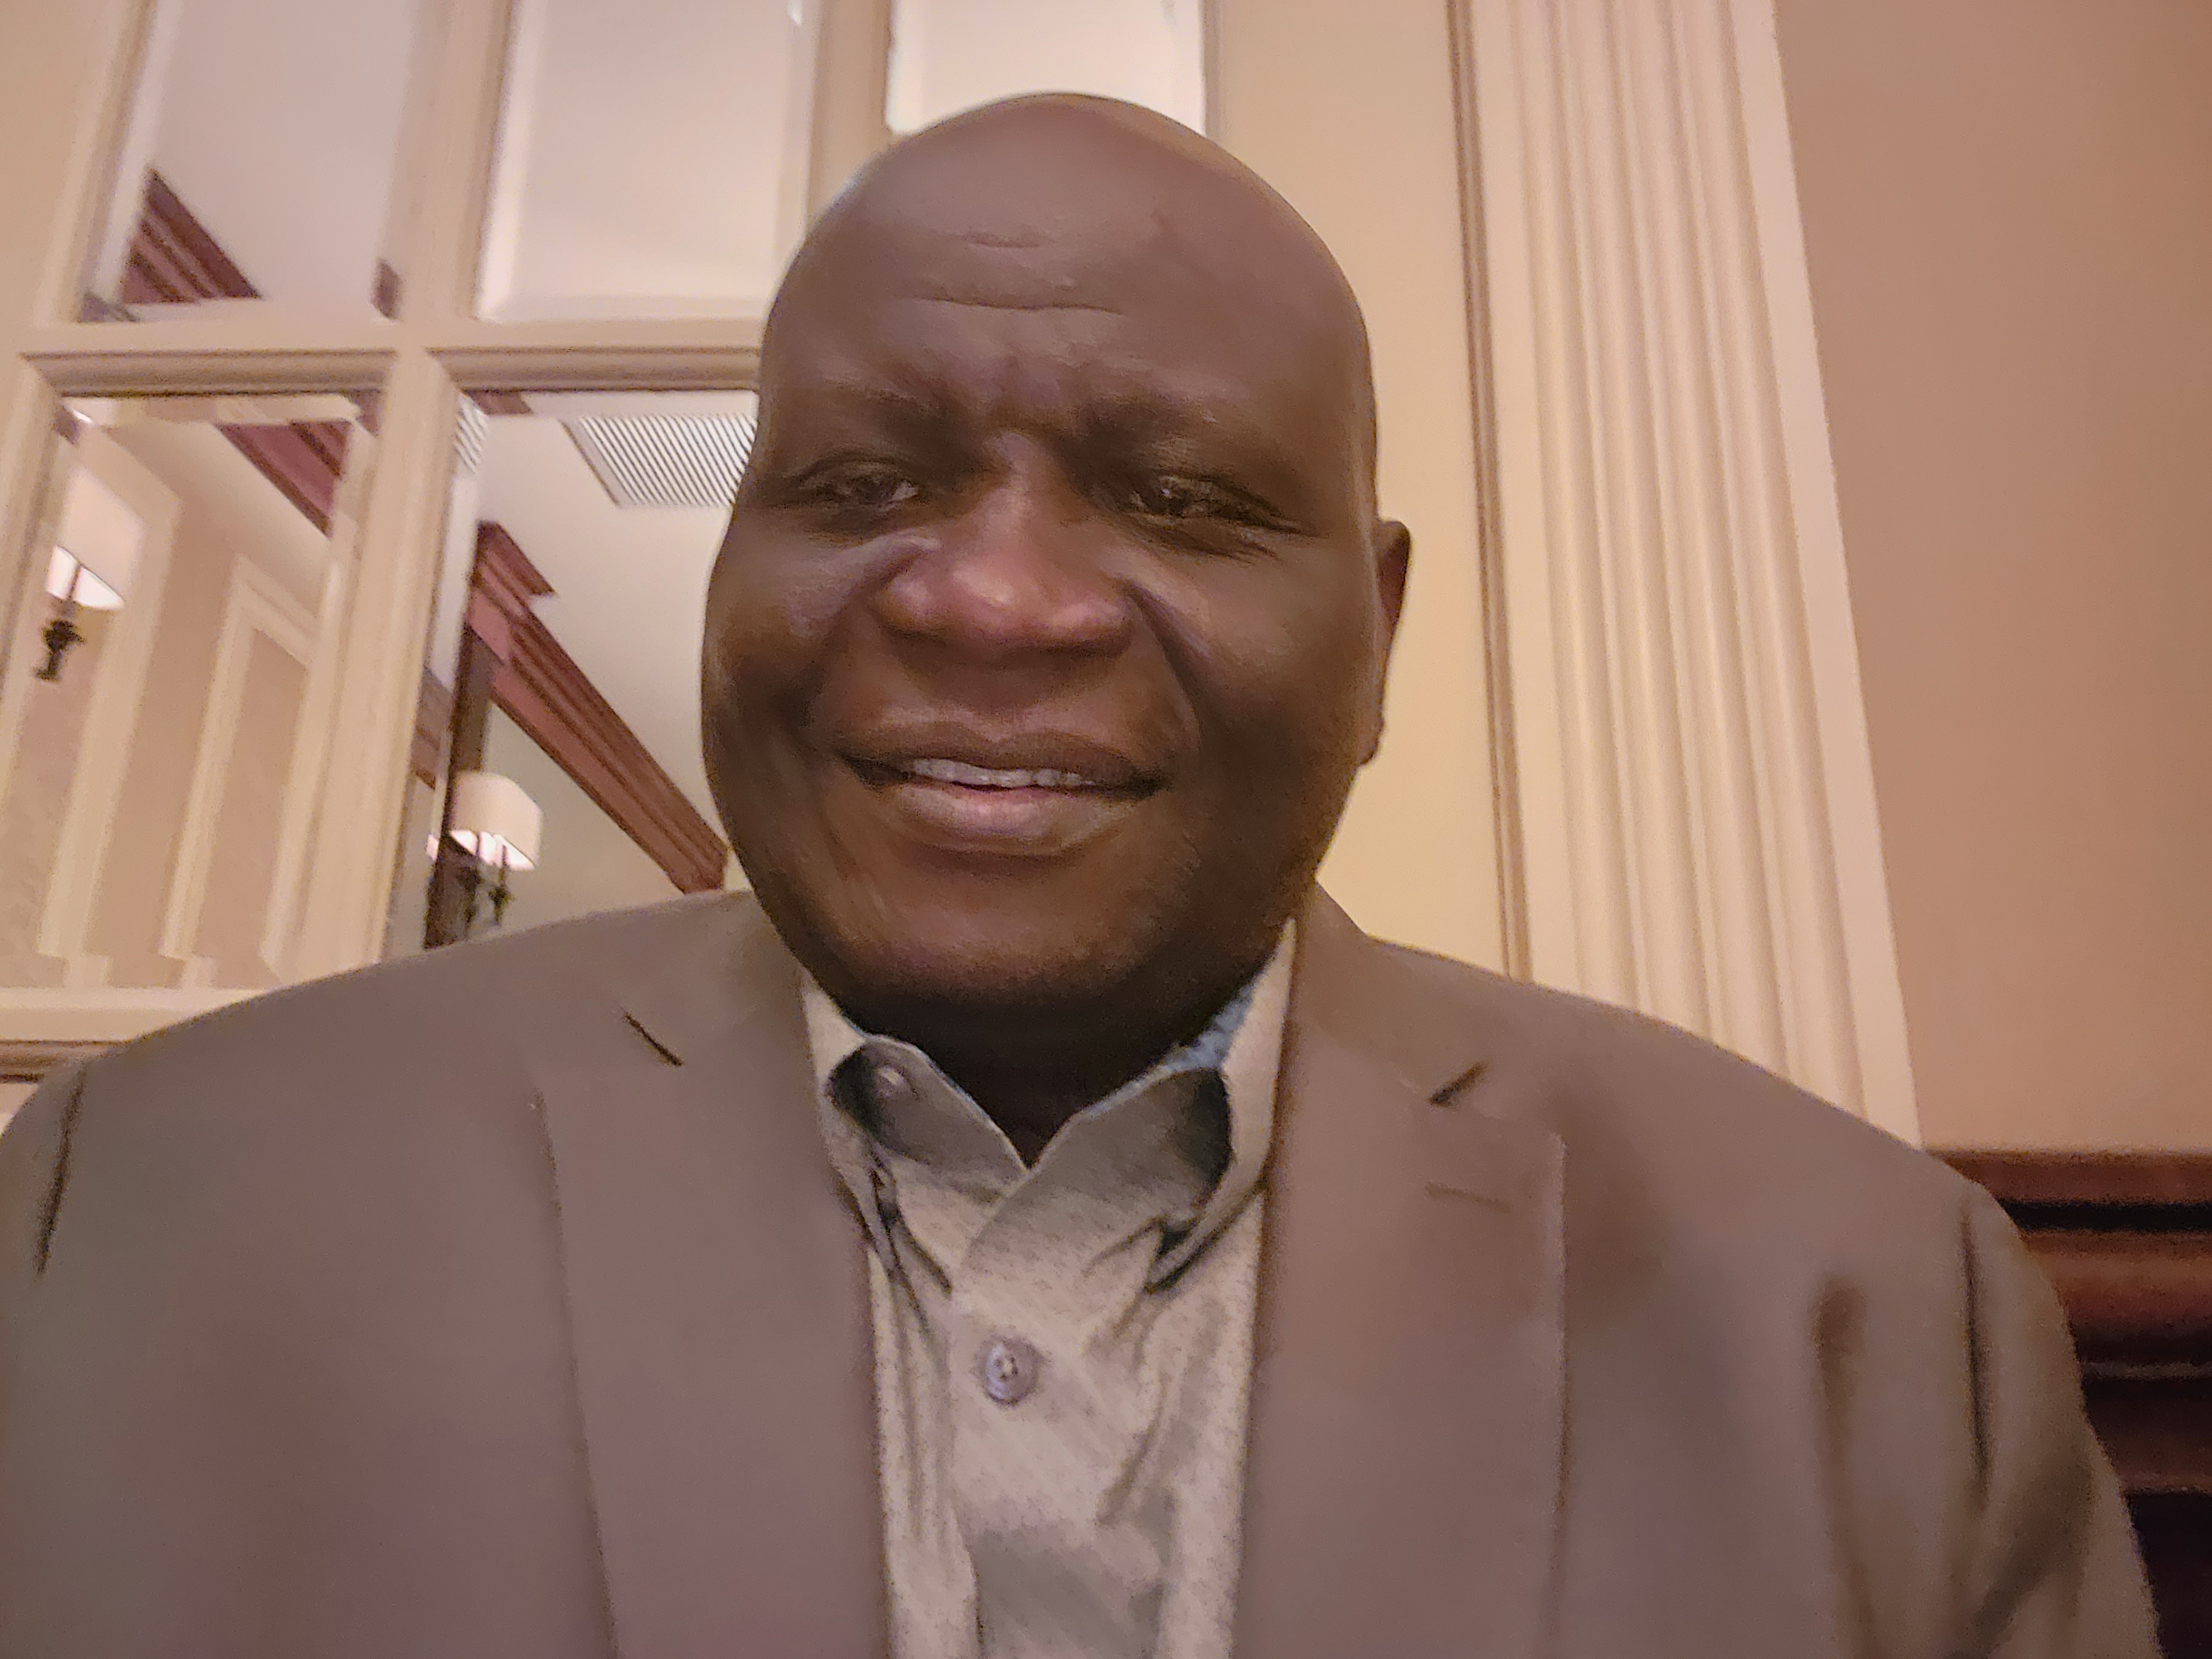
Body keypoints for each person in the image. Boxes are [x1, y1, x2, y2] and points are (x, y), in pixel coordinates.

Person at [0, 95, 2152, 1658]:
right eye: (863, 481)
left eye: (1184, 499)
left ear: (1382, 633)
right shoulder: (131, 1220)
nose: (995, 601)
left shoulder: (1871, 1324)